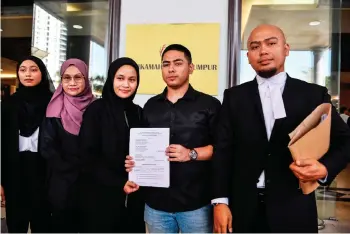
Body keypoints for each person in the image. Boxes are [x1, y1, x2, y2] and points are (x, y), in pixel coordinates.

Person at [212, 24, 350, 233]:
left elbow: (345, 141)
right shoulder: (234, 97)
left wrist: (325, 169)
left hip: (293, 205)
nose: (263, 51)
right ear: (248, 56)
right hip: (243, 207)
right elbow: (222, 151)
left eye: (271, 43)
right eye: (255, 46)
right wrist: (220, 201)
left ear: (286, 49)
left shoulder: (313, 95)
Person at [125, 44, 221, 233]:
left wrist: (191, 154)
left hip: (196, 205)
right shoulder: (150, 106)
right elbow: (140, 147)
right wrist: (134, 163)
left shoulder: (209, 104)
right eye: (166, 64)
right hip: (156, 205)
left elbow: (223, 148)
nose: (171, 69)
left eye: (178, 63)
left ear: (191, 68)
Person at [78, 57, 145, 233]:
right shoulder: (96, 110)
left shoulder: (138, 112)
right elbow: (87, 158)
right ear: (111, 79)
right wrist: (119, 183)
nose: (126, 84)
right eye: (120, 78)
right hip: (100, 200)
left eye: (132, 80)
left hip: (133, 199)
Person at [40, 58, 94, 232]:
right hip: (62, 184)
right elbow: (47, 148)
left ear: (86, 79)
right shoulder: (53, 110)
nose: (72, 83)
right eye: (67, 78)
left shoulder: (96, 108)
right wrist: (71, 168)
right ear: (61, 80)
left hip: (91, 184)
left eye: (78, 77)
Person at [1, 55, 54, 233]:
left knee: (43, 224)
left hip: (44, 174)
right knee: (16, 224)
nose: (28, 74)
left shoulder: (53, 103)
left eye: (33, 69)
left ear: (42, 73)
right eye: (23, 70)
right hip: (15, 173)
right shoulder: (8, 104)